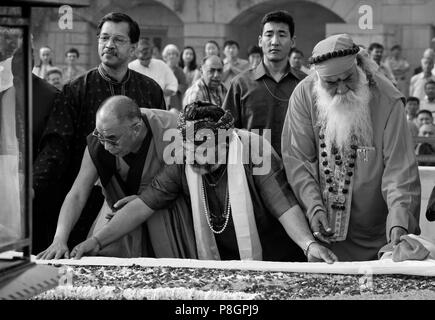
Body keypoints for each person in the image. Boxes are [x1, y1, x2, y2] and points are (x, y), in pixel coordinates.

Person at [69, 101, 338, 264]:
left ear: (226, 140)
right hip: (220, 259)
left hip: (273, 255)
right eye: (188, 147)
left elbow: (284, 205)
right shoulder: (183, 159)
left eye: (202, 146)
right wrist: (96, 242)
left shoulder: (255, 150)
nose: (195, 155)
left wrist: (308, 245)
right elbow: (144, 204)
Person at [281, 33, 421, 261]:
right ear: (317, 78)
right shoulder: (304, 96)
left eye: (348, 78)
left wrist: (399, 223)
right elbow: (298, 161)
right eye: (331, 83)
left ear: (360, 66)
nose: (342, 89)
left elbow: (400, 171)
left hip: (379, 238)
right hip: (323, 237)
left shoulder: (387, 99)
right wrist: (313, 206)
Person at [33, 12, 165, 248]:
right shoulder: (75, 90)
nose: (109, 45)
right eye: (104, 38)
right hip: (83, 202)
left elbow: (160, 149)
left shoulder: (150, 90)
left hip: (140, 202)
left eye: (118, 40)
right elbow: (55, 150)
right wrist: (33, 188)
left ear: (133, 48)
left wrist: (152, 194)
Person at [37, 96, 196, 260]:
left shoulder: (172, 128)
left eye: (112, 139)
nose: (106, 146)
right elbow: (77, 194)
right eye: (100, 136)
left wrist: (146, 197)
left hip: (164, 214)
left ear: (136, 128)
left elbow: (192, 183)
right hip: (115, 218)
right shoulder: (99, 143)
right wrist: (59, 239)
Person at [223, 10, 306, 156]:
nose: (275, 41)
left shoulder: (305, 84)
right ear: (260, 41)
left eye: (282, 35)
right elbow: (225, 132)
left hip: (297, 171)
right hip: (252, 171)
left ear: (292, 41)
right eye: (269, 35)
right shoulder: (241, 84)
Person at [128, 37, 178, 107]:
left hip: (160, 109)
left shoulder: (161, 65)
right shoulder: (130, 67)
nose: (145, 61)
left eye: (147, 59)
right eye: (142, 59)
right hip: (138, 109)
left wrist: (158, 94)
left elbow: (173, 86)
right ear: (136, 54)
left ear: (151, 53)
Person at [162, 44, 188, 112]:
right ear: (165, 56)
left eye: (174, 54)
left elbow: (184, 87)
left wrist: (173, 87)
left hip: (175, 103)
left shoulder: (179, 71)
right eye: (169, 54)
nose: (171, 56)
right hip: (162, 100)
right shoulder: (162, 69)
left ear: (177, 57)